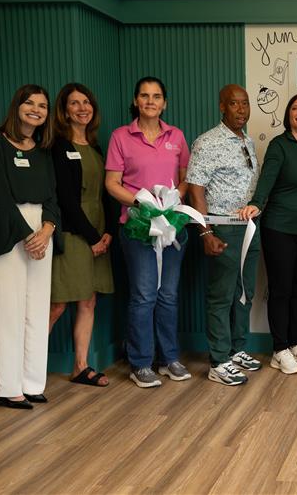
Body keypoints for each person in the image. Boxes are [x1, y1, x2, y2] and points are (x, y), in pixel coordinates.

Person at [105, 76, 192, 388]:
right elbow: (112, 184)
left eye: (156, 96)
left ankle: (169, 358)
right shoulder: (121, 137)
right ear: (136, 100)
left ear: (164, 103)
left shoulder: (177, 137)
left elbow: (185, 179)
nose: (150, 101)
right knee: (144, 296)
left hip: (172, 227)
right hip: (138, 227)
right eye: (144, 96)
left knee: (168, 295)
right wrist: (144, 204)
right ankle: (141, 362)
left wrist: (170, 202)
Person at [0, 84, 59, 409]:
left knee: (36, 310)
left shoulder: (44, 151)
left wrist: (46, 230)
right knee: (6, 308)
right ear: (17, 106)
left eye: (42, 105)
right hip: (5, 227)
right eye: (29, 103)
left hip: (42, 230)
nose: (36, 109)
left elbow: (53, 197)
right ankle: (9, 386)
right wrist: (29, 235)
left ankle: (31, 382)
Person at [240, 94, 297, 374]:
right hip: (279, 228)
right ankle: (279, 350)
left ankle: (295, 343)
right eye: (295, 108)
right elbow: (267, 180)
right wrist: (256, 203)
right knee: (281, 290)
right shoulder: (280, 145)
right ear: (288, 114)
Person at [187, 84, 261, 387]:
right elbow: (195, 189)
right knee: (221, 296)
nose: (241, 109)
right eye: (234, 104)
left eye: (245, 104)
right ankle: (218, 361)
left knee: (244, 293)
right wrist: (205, 232)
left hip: (250, 227)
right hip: (223, 226)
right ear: (222, 107)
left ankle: (236, 348)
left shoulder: (248, 141)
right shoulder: (207, 142)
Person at [49, 83, 115, 387]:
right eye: (74, 103)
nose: (82, 108)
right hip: (75, 231)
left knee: (88, 300)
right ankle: (25, 368)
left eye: (86, 102)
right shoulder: (60, 147)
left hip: (98, 229)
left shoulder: (96, 147)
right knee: (59, 302)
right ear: (64, 111)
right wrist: (92, 237)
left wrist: (108, 233)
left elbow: (106, 193)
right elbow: (65, 200)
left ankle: (80, 366)